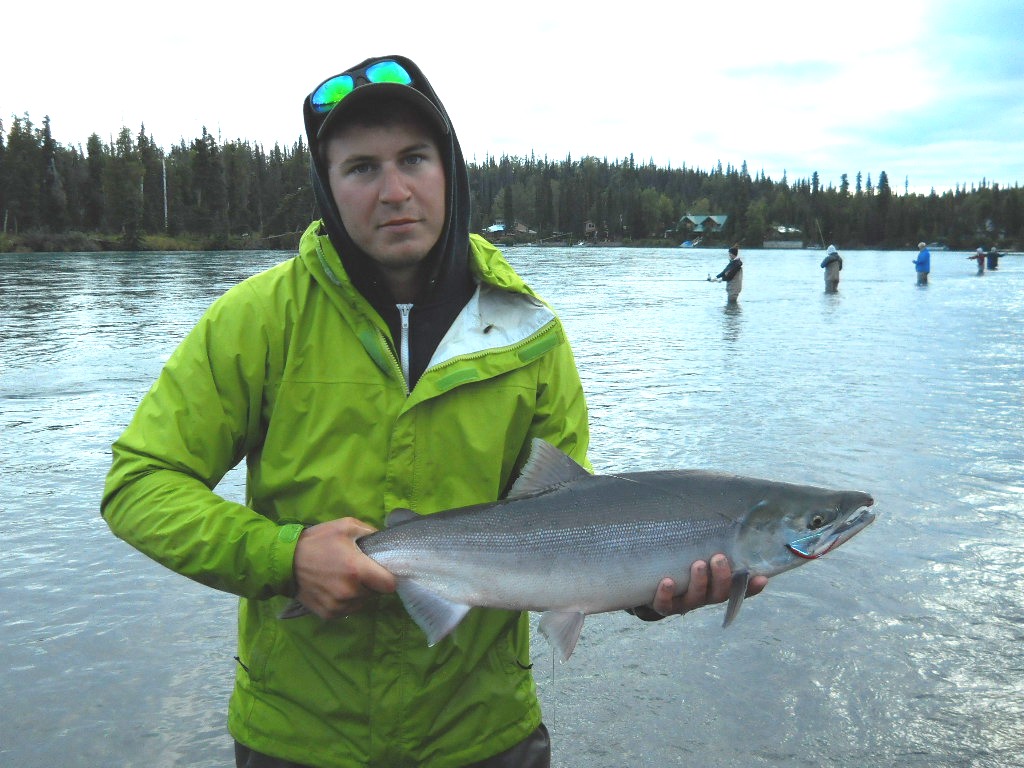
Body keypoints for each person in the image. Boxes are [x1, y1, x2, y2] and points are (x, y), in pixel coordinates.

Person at [101, 55, 765, 768]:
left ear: (449, 168)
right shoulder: (257, 321)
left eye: (414, 158)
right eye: (361, 168)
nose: (394, 192)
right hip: (298, 739)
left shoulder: (531, 334)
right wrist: (285, 556)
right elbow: (140, 484)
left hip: (485, 737)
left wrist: (648, 589)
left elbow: (575, 521)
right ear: (327, 188)